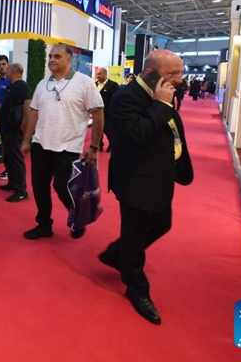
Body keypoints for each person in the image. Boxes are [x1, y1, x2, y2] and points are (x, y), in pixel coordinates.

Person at [99, 49, 194, 325]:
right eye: (172, 73)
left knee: (162, 224)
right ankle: (137, 288)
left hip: (160, 175)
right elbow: (139, 133)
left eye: (180, 72)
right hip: (135, 179)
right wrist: (162, 105)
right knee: (134, 235)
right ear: (150, 73)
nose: (178, 79)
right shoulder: (126, 97)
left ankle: (116, 255)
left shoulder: (163, 90)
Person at [20, 44, 104, 239]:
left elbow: (98, 114)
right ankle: (44, 225)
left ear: (69, 59)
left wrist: (94, 146)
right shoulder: (43, 84)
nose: (51, 59)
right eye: (50, 56)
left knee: (62, 187)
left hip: (68, 147)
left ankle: (78, 217)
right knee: (39, 187)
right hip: (40, 144)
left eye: (57, 56)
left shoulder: (84, 83)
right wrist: (26, 140)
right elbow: (34, 113)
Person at [0, 63, 31, 202]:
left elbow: (27, 105)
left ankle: (21, 190)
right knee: (10, 158)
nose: (5, 70)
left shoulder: (21, 86)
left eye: (7, 68)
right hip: (7, 129)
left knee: (16, 159)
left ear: (12, 71)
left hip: (14, 129)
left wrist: (24, 124)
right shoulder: (13, 86)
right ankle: (12, 183)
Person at [0, 55, 11, 179]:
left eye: (3, 64)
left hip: (9, 119)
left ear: (8, 64)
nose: (1, 67)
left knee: (10, 147)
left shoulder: (12, 80)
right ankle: (8, 170)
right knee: (4, 145)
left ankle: (11, 171)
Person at [95, 67, 119, 151]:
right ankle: (99, 145)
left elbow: (116, 99)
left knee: (107, 129)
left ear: (105, 74)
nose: (97, 76)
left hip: (108, 112)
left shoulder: (113, 85)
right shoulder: (94, 84)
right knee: (98, 129)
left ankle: (113, 144)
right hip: (97, 112)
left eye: (99, 74)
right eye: (97, 74)